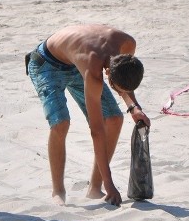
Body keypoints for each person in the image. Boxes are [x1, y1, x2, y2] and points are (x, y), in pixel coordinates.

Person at [26, 24, 149, 206]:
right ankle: (57, 191)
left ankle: (94, 188)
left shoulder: (127, 44)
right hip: (46, 64)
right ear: (108, 76)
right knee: (61, 123)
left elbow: (125, 81)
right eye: (116, 89)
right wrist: (110, 184)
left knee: (115, 119)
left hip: (75, 61)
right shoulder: (93, 70)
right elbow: (96, 130)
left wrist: (134, 107)